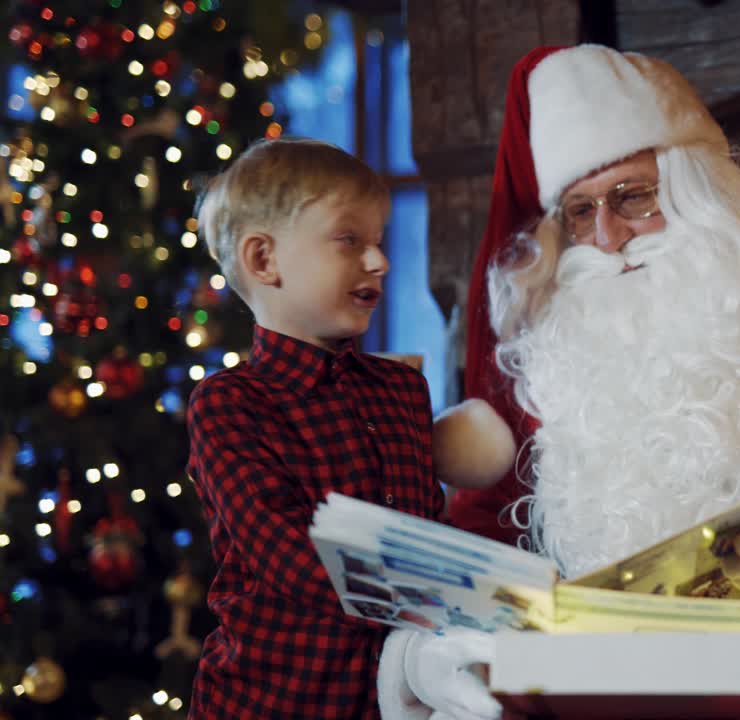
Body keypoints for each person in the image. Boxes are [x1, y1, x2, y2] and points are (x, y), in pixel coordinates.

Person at [387, 44, 740, 720]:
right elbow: (474, 547)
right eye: (579, 211)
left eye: (632, 197)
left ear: (697, 193)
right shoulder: (544, 382)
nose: (607, 235)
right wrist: (430, 648)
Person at [187, 138, 512, 719]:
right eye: (349, 240)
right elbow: (291, 557)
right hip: (273, 702)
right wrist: (483, 595)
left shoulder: (402, 392)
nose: (379, 261)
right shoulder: (230, 405)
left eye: (379, 242)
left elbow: (425, 532)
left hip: (393, 699)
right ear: (264, 260)